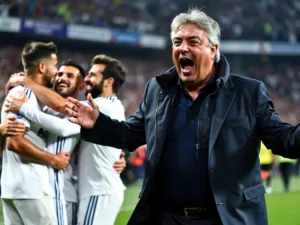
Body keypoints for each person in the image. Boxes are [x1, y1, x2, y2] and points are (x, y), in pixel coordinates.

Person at [65, 8, 300, 225]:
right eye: (177, 42)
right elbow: (129, 135)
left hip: (225, 218)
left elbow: (284, 140)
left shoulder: (247, 92)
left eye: (193, 42)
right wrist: (97, 122)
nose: (183, 48)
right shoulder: (157, 90)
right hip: (167, 218)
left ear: (213, 49)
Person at [7, 55, 127, 225]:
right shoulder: (103, 106)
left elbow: (64, 126)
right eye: (60, 74)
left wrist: (24, 103)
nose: (87, 79)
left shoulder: (101, 106)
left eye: (93, 75)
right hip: (77, 189)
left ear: (108, 81)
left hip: (96, 190)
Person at [1, 41, 70, 225]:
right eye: (55, 65)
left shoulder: (30, 95)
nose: (57, 71)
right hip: (31, 188)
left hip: (13, 188)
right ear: (42, 66)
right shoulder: (24, 95)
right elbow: (14, 143)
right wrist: (53, 159)